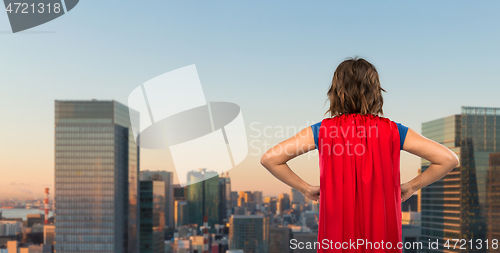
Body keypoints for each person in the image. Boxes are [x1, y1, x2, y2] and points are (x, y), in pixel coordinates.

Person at [260, 57, 459, 252]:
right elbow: (448, 159)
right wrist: (410, 187)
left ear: (336, 93)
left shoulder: (323, 130)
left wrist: (305, 188)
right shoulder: (393, 131)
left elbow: (270, 159)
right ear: (375, 92)